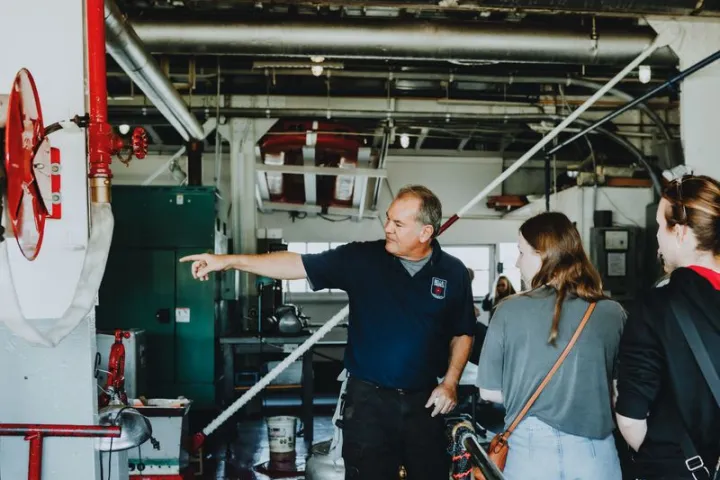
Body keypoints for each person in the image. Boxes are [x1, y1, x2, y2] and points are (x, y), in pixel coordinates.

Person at [180, 185, 476, 480]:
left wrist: (450, 382)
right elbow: (296, 264)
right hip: (367, 403)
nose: (387, 228)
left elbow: (463, 332)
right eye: (387, 219)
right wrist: (228, 261)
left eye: (398, 224)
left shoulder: (453, 273)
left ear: (425, 233)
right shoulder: (363, 259)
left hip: (425, 402)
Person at [476, 211, 625, 480]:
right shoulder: (611, 312)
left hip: (530, 451)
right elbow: (619, 393)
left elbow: (488, 391)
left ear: (542, 254)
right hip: (595, 452)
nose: (517, 262)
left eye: (521, 252)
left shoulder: (508, 311)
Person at [615, 175, 720, 480]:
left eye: (661, 226)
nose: (658, 236)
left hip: (681, 467)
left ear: (681, 232)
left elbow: (631, 420)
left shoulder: (654, 307)